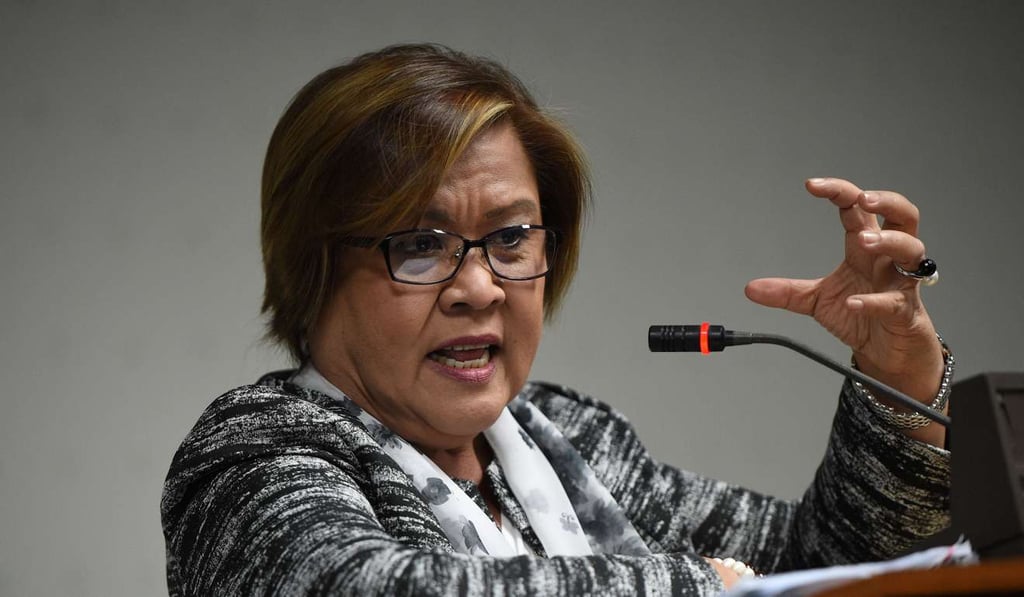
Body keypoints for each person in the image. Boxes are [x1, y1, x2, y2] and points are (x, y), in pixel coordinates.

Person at [160, 43, 952, 596]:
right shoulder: (251, 451)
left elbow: (824, 568)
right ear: (316, 264)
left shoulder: (569, 440)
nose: (479, 286)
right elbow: (363, 585)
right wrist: (698, 585)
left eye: (510, 238)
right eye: (420, 244)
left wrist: (895, 378)